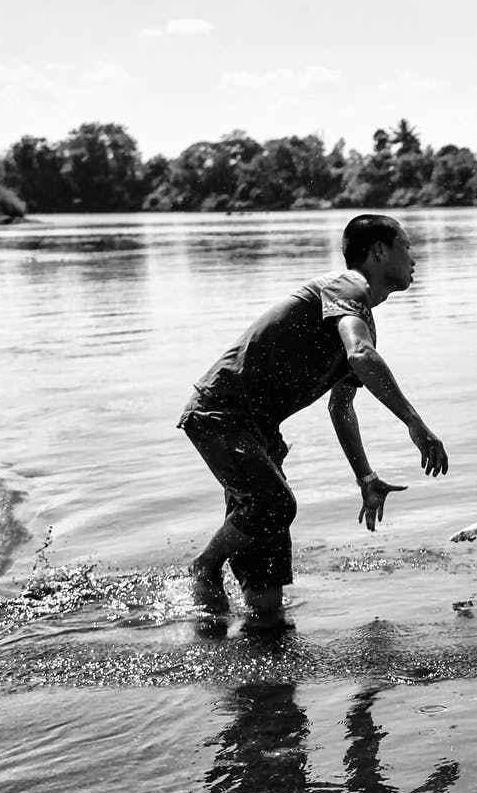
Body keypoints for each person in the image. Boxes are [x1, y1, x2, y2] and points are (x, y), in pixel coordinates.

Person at [180, 214, 449, 628]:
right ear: (379, 251)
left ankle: (256, 660)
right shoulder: (349, 285)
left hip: (259, 432)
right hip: (222, 413)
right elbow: (360, 356)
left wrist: (365, 477)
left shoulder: (357, 319)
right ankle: (205, 565)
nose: (414, 258)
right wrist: (414, 422)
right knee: (274, 504)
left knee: (267, 597)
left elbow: (340, 407)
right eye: (407, 246)